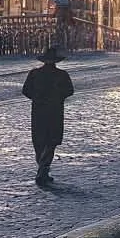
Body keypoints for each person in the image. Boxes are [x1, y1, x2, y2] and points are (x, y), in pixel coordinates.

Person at [21, 46, 75, 186]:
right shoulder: (62, 75)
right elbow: (70, 91)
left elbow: (26, 90)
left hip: (38, 111)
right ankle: (43, 170)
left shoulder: (34, 74)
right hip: (55, 111)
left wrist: (37, 98)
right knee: (51, 141)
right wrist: (58, 97)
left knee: (39, 141)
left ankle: (42, 169)